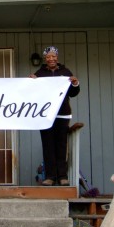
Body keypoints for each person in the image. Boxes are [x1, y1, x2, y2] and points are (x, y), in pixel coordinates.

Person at [30, 46, 80, 186]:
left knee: (61, 145)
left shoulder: (65, 72)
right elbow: (33, 93)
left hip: (62, 114)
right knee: (48, 146)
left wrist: (75, 84)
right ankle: (50, 176)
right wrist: (31, 82)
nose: (51, 59)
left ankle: (62, 176)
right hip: (45, 115)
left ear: (57, 57)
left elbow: (73, 93)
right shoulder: (39, 73)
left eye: (53, 56)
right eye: (48, 56)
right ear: (45, 59)